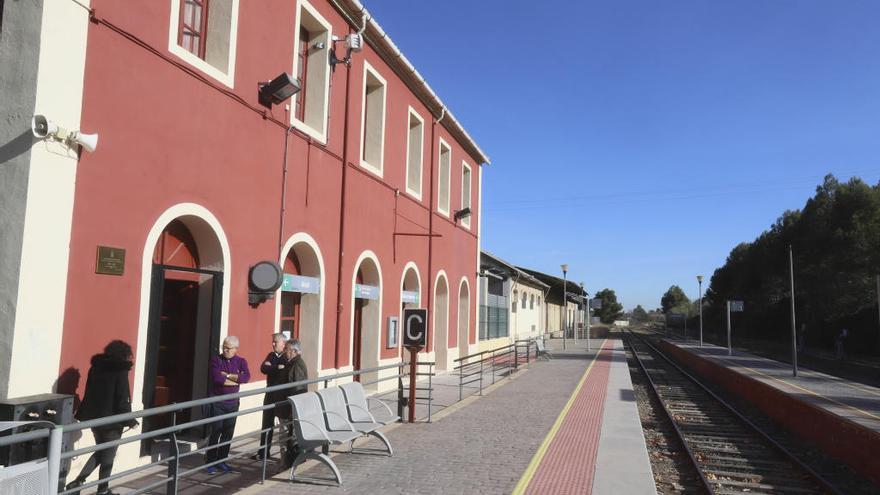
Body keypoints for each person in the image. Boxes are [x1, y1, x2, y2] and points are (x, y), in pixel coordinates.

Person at [66, 341, 138, 495]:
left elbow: (89, 392)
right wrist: (131, 420)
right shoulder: (120, 371)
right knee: (108, 457)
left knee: (101, 452)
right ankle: (103, 490)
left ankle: (76, 483)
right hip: (112, 421)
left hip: (96, 419)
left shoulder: (96, 368)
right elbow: (122, 397)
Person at [205, 336, 250, 474]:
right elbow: (217, 378)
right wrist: (235, 379)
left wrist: (228, 376)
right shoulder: (216, 360)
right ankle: (210, 461)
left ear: (236, 349)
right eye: (223, 346)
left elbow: (246, 377)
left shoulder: (241, 361)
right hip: (218, 402)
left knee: (227, 433)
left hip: (233, 403)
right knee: (216, 432)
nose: (225, 349)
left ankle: (222, 460)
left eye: (228, 348)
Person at [275, 339, 308, 467]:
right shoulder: (293, 363)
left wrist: (293, 410)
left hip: (288, 409)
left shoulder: (297, 365)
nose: (284, 352)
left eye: (286, 350)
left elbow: (298, 389)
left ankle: (287, 464)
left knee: (286, 437)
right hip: (286, 408)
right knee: (286, 437)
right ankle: (287, 463)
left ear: (294, 351)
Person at [254, 333, 288, 460]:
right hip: (269, 394)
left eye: (275, 342)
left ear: (283, 344)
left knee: (284, 425)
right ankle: (263, 453)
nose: (273, 344)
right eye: (273, 342)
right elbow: (263, 368)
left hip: (281, 396)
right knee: (266, 425)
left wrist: (272, 367)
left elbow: (284, 370)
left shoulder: (286, 357)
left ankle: (285, 456)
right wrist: (276, 368)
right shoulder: (270, 355)